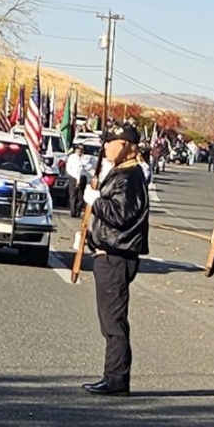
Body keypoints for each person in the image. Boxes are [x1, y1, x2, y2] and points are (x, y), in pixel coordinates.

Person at [80, 122, 150, 397]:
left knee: (113, 321)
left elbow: (121, 214)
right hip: (110, 253)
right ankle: (112, 375)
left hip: (116, 256)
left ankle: (117, 379)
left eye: (112, 142)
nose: (106, 146)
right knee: (109, 320)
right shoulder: (121, 173)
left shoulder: (129, 177)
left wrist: (96, 201)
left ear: (128, 146)